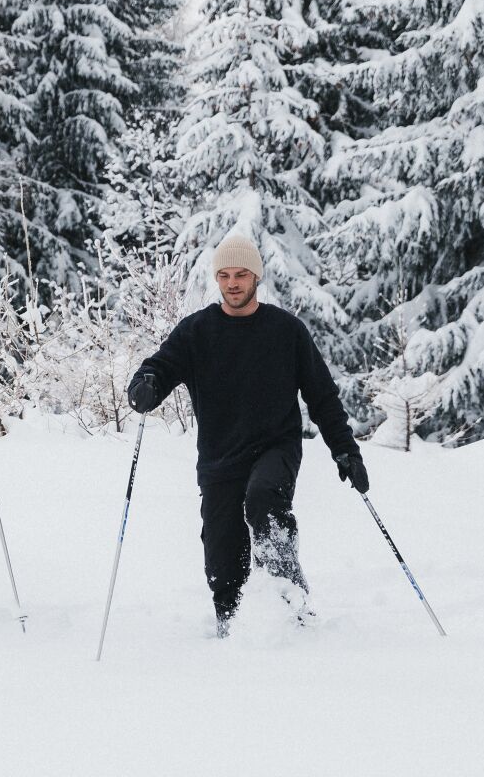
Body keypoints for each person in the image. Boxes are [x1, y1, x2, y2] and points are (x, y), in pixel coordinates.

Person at [125, 233, 369, 637]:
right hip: (220, 458)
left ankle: (292, 606)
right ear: (217, 279)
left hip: (276, 446)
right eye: (224, 275)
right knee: (223, 560)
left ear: (256, 277)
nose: (233, 283)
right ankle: (233, 630)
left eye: (241, 275)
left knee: (263, 500)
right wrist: (146, 384)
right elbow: (160, 366)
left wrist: (345, 451)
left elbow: (322, 396)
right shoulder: (196, 331)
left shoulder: (285, 331)